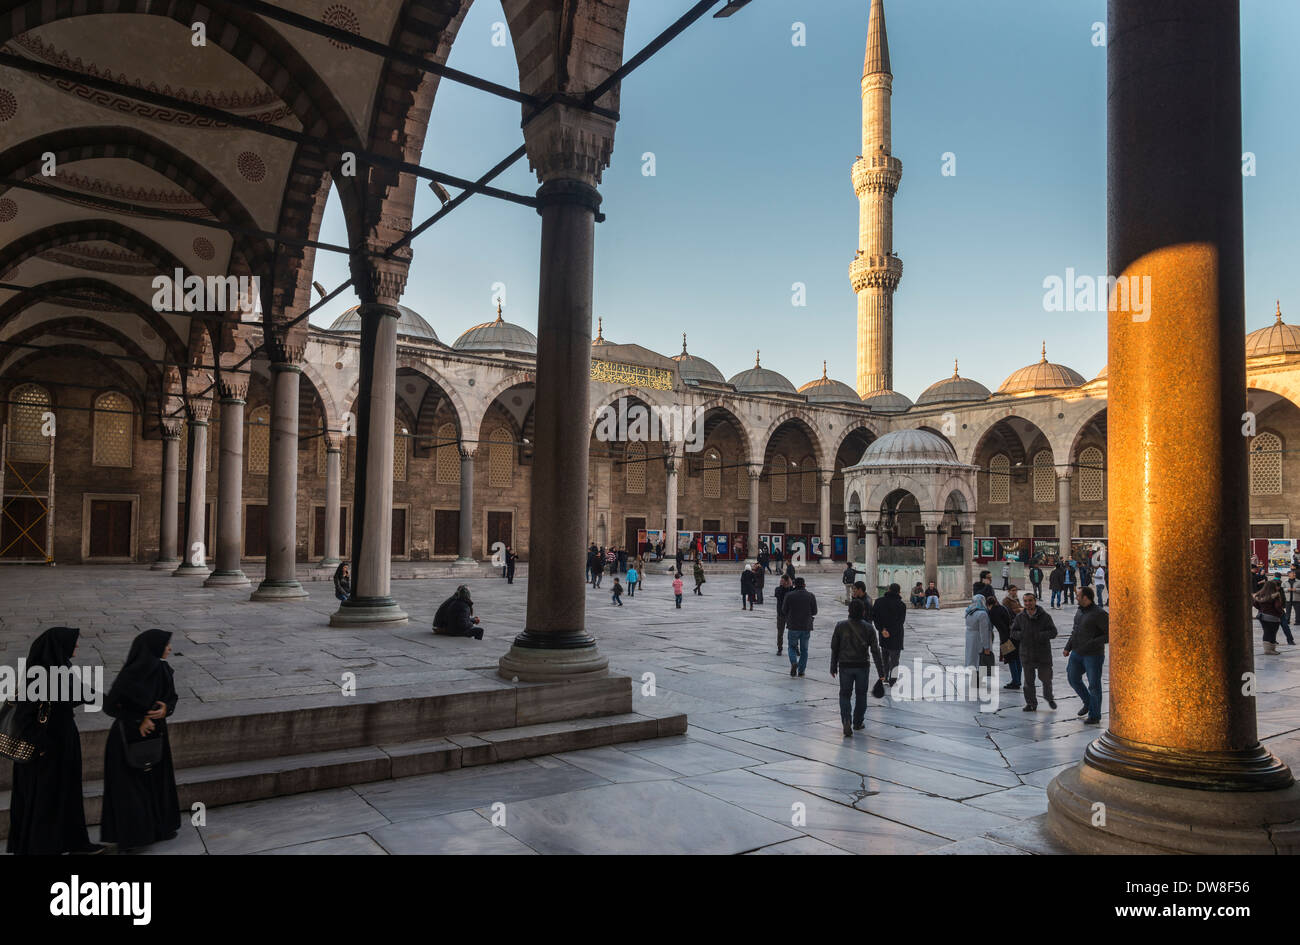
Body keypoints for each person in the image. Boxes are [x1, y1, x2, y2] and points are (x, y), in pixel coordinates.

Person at [6, 627, 99, 856]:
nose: (76, 646)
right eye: (73, 643)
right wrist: (41, 746)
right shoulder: (40, 674)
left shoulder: (61, 668)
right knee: (46, 799)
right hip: (45, 750)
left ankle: (73, 842)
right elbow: (25, 715)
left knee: (66, 795)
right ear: (60, 646)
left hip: (63, 743)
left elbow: (73, 696)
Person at [100, 629, 181, 851]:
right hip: (128, 737)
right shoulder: (131, 674)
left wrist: (166, 709)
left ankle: (159, 827)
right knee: (131, 788)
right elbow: (110, 706)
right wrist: (139, 719)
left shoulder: (164, 670)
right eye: (166, 645)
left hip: (156, 735)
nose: (169, 649)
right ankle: (135, 836)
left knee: (156, 782)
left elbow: (171, 697)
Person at [830, 599, 887, 737]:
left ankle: (846, 720)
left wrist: (833, 666)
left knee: (844, 694)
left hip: (845, 665)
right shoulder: (869, 628)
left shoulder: (840, 626)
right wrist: (881, 672)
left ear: (849, 611)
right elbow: (875, 651)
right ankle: (858, 722)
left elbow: (834, 647)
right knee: (861, 695)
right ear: (863, 612)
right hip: (862, 666)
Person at [1064, 587, 1109, 724]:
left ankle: (1094, 715)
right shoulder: (1079, 611)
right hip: (1077, 652)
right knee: (1072, 678)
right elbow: (1075, 630)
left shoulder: (1099, 614)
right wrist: (1068, 647)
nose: (1076, 597)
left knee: (1094, 685)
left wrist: (1092, 643)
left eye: (1078, 595)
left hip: (1093, 655)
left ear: (1085, 597)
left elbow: (1110, 634)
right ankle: (1088, 702)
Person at [1011, 592, 1058, 711]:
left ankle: (1049, 697)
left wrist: (1040, 635)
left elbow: (1053, 632)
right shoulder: (1020, 617)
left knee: (1046, 679)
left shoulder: (1045, 616)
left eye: (1030, 601)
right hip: (1027, 654)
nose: (1027, 603)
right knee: (1028, 682)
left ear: (1035, 601)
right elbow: (1013, 632)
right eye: (1025, 601)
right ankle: (1031, 703)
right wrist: (1022, 635)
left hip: (1043, 654)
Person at [781, 577, 818, 678]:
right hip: (806, 626)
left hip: (793, 625)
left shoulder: (789, 595)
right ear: (804, 585)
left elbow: (784, 610)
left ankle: (794, 662)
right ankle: (801, 670)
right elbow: (814, 611)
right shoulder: (811, 596)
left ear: (794, 584)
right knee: (804, 650)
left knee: (792, 647)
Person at [873, 582, 907, 685]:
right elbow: (900, 621)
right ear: (899, 592)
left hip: (884, 635)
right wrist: (890, 632)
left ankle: (885, 676)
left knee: (885, 657)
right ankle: (893, 679)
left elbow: (875, 618)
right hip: (896, 636)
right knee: (895, 660)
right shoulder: (901, 605)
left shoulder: (879, 602)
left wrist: (882, 630)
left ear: (888, 590)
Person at [987, 592, 1020, 691]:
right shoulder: (1003, 607)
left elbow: (1001, 627)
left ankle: (1015, 681)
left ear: (988, 605)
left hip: (1006, 638)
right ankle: (1018, 680)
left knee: (1011, 660)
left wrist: (1004, 641)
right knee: (1017, 658)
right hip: (1015, 636)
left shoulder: (992, 612)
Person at [964, 596, 994, 691]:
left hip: (970, 638)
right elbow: (984, 631)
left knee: (972, 658)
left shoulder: (968, 611)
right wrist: (986, 646)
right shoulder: (982, 614)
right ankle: (978, 682)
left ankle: (974, 681)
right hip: (978, 639)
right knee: (980, 659)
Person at [1253, 580, 1287, 654]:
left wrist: (1261, 609)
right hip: (1273, 617)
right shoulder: (1275, 596)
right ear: (1273, 587)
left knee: (1266, 632)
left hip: (1262, 616)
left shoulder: (1259, 595)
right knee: (1272, 632)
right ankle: (1270, 650)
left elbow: (1255, 604)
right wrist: (1281, 612)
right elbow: (1277, 606)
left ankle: (1269, 650)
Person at [774, 573, 793, 655]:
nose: (781, 581)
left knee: (793, 633)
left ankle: (795, 647)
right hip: (781, 614)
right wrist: (783, 586)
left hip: (790, 615)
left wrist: (790, 586)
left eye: (782, 580)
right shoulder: (778, 589)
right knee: (780, 633)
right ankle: (779, 648)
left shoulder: (791, 590)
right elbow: (778, 595)